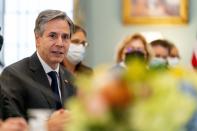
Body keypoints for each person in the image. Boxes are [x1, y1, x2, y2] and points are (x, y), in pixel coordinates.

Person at [0, 9, 76, 127]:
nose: (60, 43)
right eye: (53, 36)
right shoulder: (14, 75)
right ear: (37, 39)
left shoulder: (70, 79)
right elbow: (13, 126)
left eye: (65, 37)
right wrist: (46, 126)